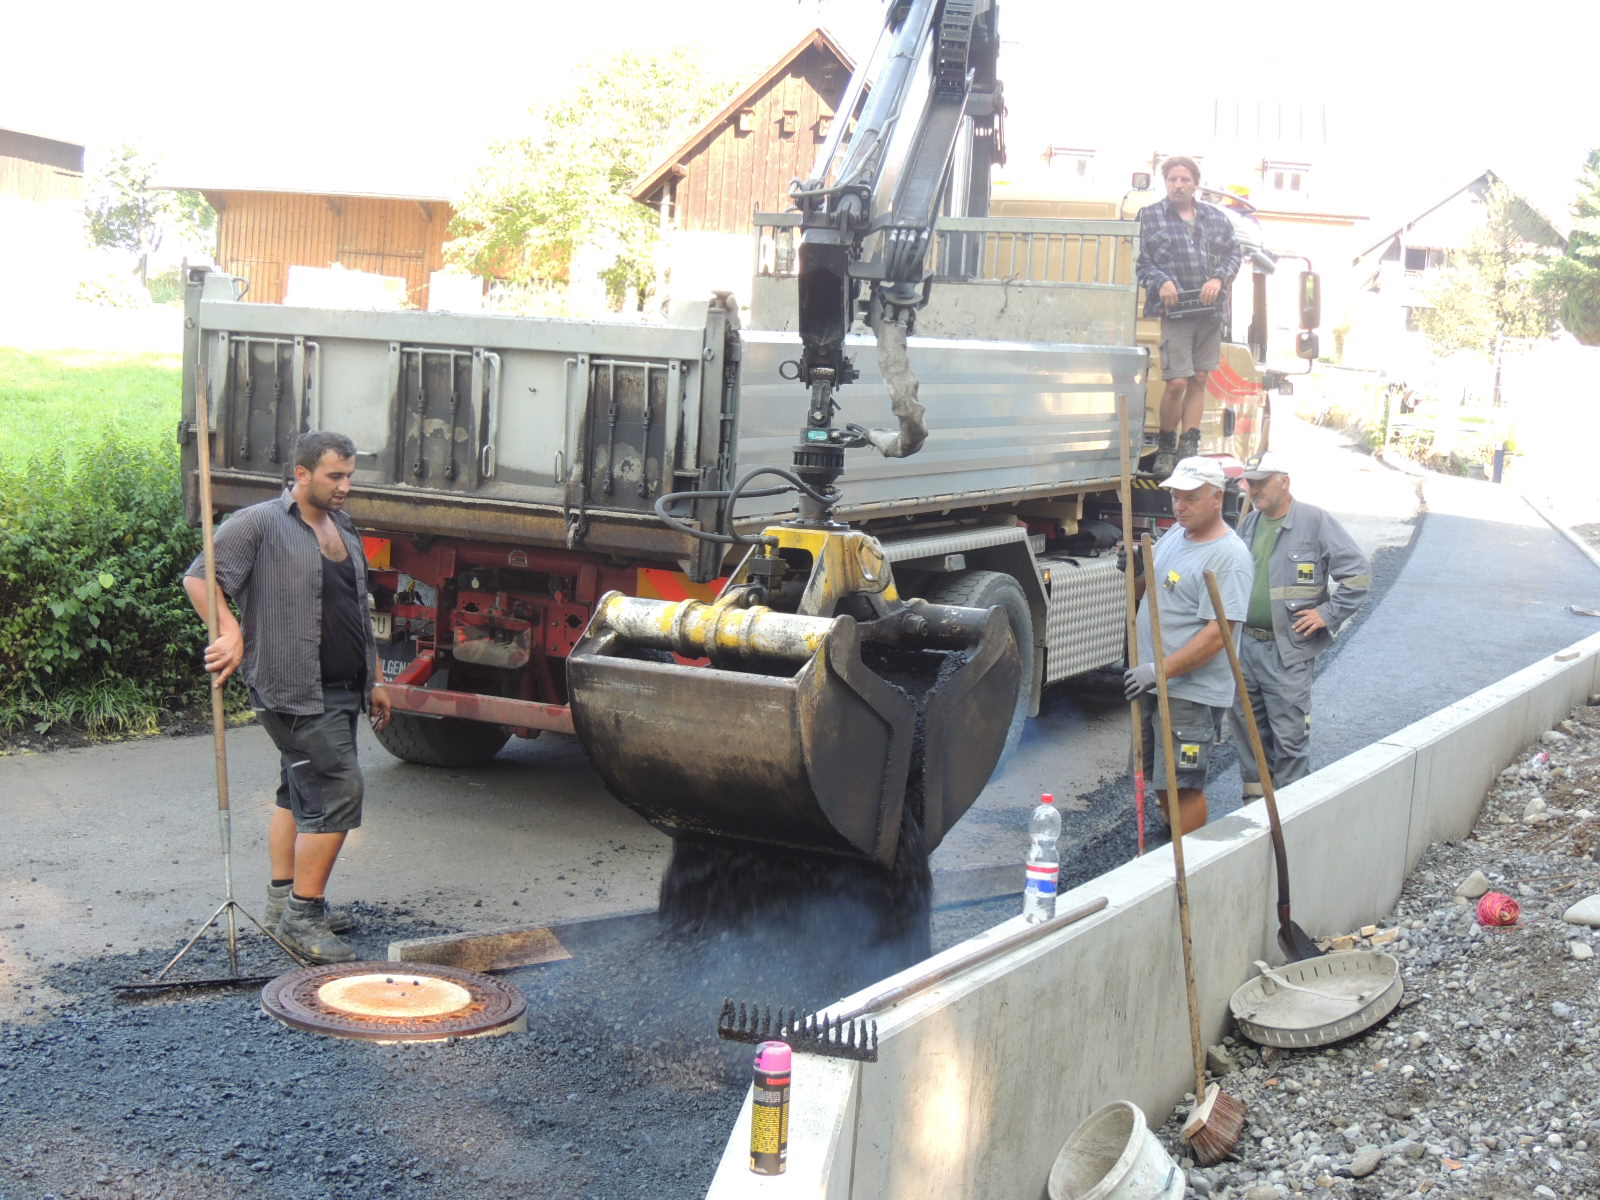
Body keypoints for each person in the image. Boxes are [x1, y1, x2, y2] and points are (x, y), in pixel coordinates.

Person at [182, 430, 392, 964]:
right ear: (302, 474)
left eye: (349, 476)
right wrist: (230, 630)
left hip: (341, 688)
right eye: (334, 476)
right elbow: (200, 579)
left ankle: (282, 903)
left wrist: (375, 678)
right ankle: (303, 917)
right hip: (293, 688)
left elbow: (355, 607)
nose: (345, 486)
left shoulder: (343, 525)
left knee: (296, 792)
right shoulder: (259, 522)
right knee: (339, 790)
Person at [1229, 450, 1371, 798]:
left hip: (1288, 651)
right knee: (1249, 735)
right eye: (1251, 482)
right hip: (1246, 647)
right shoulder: (1249, 523)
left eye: (1262, 482)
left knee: (1289, 738)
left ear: (1284, 482)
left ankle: (1291, 813)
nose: (1254, 489)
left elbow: (1358, 575)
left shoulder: (1314, 521)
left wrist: (1328, 614)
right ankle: (1256, 811)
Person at [1123, 457, 1253, 835]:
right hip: (1157, 682)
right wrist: (1134, 571)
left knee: (1183, 785)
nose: (1179, 506)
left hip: (1189, 693)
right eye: (1176, 497)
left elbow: (1218, 634)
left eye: (1191, 498)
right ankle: (1173, 847)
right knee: (1163, 779)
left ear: (1217, 498)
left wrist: (1159, 670)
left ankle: (1191, 859)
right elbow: (1148, 592)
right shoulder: (1175, 536)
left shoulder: (1228, 557)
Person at [1136, 156, 1242, 479]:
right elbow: (1142, 264)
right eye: (1172, 179)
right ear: (1165, 183)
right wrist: (1161, 281)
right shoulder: (1150, 216)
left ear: (1195, 183)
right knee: (1177, 382)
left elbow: (1234, 254)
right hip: (1176, 311)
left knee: (1199, 379)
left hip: (1210, 310)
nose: (1178, 185)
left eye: (1184, 179)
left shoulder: (1216, 218)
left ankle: (1188, 447)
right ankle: (1166, 449)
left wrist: (1219, 279)